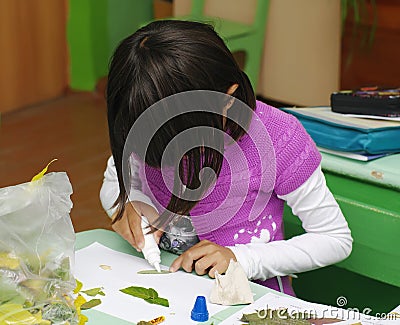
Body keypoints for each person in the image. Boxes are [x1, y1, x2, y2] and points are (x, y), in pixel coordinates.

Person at [100, 20, 352, 296]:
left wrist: (240, 259)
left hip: (250, 300)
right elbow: (114, 181)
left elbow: (334, 239)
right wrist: (126, 205)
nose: (164, 157)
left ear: (227, 98)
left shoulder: (279, 139)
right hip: (166, 292)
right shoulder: (142, 126)